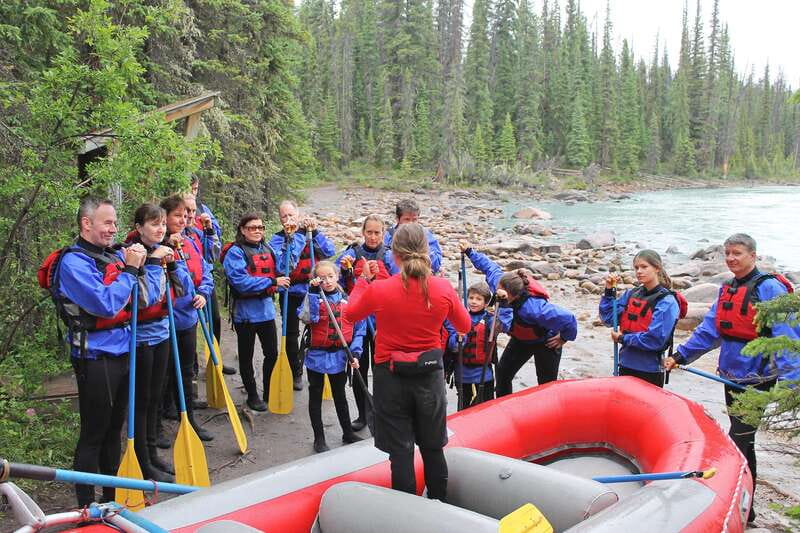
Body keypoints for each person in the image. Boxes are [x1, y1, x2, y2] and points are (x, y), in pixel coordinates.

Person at [665, 233, 800, 524]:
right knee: (744, 441)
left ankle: (739, 503)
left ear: (753, 255)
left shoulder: (770, 288)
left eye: (737, 253)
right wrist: (680, 355)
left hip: (758, 377)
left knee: (738, 439)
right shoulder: (728, 288)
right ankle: (746, 506)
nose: (731, 258)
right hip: (731, 374)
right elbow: (710, 330)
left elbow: (787, 337)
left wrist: (792, 385)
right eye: (727, 253)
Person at [47, 197, 161, 506]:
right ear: (87, 224)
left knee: (114, 431)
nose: (114, 229)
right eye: (107, 222)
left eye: (115, 222)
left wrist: (148, 265)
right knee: (94, 434)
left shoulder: (113, 255)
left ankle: (112, 500)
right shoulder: (74, 263)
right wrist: (130, 271)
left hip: (123, 350)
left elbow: (146, 299)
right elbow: (106, 304)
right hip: (95, 358)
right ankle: (86, 507)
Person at [344, 223, 471, 501]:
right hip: (429, 376)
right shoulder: (442, 287)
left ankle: (408, 511)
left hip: (390, 377)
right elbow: (464, 325)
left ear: (395, 254)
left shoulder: (380, 289)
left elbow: (350, 314)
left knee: (400, 452)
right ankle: (439, 503)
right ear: (426, 251)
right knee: (433, 448)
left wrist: (363, 281)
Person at [125, 204, 195, 482]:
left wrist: (173, 263)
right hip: (141, 337)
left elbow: (185, 289)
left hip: (163, 332)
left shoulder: (164, 251)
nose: (160, 229)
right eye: (154, 224)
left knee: (154, 399)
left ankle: (152, 455)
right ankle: (142, 461)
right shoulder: (131, 254)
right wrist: (154, 262)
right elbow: (145, 298)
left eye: (163, 224)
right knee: (142, 401)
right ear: (139, 227)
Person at [460, 242, 577, 396]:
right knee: (503, 373)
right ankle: (505, 405)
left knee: (546, 383)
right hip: (521, 339)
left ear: (513, 296)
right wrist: (469, 251)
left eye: (502, 294)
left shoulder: (534, 308)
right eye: (498, 289)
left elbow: (569, 318)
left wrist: (564, 337)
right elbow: (488, 266)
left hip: (546, 341)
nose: (498, 294)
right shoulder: (500, 283)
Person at [159, 195, 213, 441]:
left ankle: (189, 420)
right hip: (166, 321)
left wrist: (203, 293)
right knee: (163, 374)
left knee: (186, 370)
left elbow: (205, 270)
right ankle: (158, 425)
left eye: (185, 215)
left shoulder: (189, 241)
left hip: (188, 318)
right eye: (177, 216)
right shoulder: (156, 248)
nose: (183, 220)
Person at [223, 213, 290, 411]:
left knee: (272, 354)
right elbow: (241, 282)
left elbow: (283, 268)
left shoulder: (268, 249)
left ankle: (269, 390)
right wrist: (272, 282)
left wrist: (290, 242)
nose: (257, 231)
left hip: (266, 311)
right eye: (252, 228)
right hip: (245, 314)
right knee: (246, 356)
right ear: (243, 230)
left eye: (260, 227)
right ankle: (252, 395)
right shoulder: (235, 253)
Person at [269, 200, 335, 391]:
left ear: (298, 215)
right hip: (290, 292)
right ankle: (295, 371)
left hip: (313, 291)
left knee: (317, 330)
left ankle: (318, 369)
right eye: (284, 216)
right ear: (280, 219)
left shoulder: (311, 233)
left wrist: (315, 233)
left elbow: (329, 251)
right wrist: (293, 237)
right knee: (291, 335)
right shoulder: (277, 240)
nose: (288, 219)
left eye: (291, 215)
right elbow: (283, 265)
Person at [300, 261, 366, 452]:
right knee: (315, 396)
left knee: (340, 396)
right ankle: (319, 438)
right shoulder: (312, 297)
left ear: (337, 276)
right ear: (316, 280)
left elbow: (359, 330)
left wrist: (355, 353)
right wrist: (313, 293)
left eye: (330, 276)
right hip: (316, 356)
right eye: (322, 278)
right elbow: (308, 317)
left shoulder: (347, 301)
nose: (327, 281)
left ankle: (348, 432)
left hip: (339, 357)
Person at [336, 214, 391, 430]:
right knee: (359, 366)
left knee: (382, 370)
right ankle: (363, 414)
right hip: (359, 320)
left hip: (382, 322)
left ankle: (383, 414)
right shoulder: (351, 254)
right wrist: (344, 269)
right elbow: (335, 279)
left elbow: (399, 282)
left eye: (377, 233)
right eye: (369, 232)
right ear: (363, 232)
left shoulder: (389, 256)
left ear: (383, 234)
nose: (373, 237)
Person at [599, 250, 681, 387]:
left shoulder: (667, 301)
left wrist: (623, 338)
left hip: (650, 371)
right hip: (625, 365)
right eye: (636, 268)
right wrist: (608, 291)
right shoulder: (632, 294)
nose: (639, 271)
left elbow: (655, 340)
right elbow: (608, 318)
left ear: (657, 268)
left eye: (644, 267)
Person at [183, 194, 235, 375]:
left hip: (203, 283)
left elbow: (211, 256)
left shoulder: (196, 232)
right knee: (191, 325)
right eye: (186, 211)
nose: (191, 215)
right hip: (187, 287)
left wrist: (209, 231)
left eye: (193, 211)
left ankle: (215, 359)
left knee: (215, 319)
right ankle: (193, 366)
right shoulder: (175, 236)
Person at [444, 281, 512, 409]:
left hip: (483, 375)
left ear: (486, 303)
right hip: (462, 375)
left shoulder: (489, 319)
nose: (473, 302)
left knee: (486, 408)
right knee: (463, 408)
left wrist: (504, 304)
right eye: (471, 298)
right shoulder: (460, 317)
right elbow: (453, 346)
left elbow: (504, 326)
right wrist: (458, 339)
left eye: (478, 299)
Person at [383, 199, 442, 275]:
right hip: (396, 276)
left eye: (414, 220)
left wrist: (423, 255)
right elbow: (382, 256)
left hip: (421, 276)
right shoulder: (389, 235)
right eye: (407, 219)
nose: (411, 223)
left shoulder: (425, 234)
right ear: (397, 219)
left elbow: (436, 263)